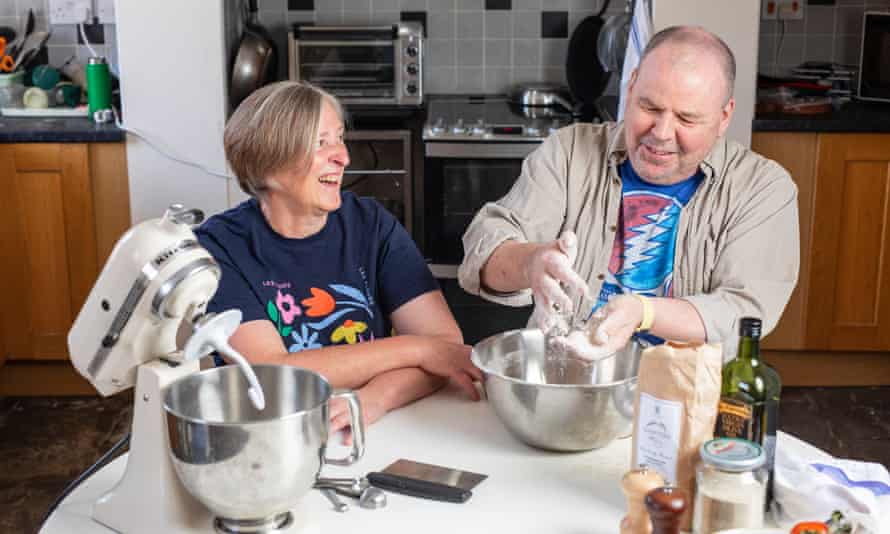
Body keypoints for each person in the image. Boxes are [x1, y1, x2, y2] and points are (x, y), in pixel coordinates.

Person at [458, 26, 799, 359]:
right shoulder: (569, 151)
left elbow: (745, 309)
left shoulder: (762, 188)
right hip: (564, 379)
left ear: (724, 117)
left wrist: (643, 312)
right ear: (631, 86)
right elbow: (484, 249)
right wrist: (531, 262)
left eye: (687, 119)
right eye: (649, 108)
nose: (662, 133)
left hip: (687, 399)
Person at [196, 81, 481, 439]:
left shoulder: (371, 225)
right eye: (320, 143)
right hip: (270, 437)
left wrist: (372, 400)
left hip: (372, 428)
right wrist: (418, 349)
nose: (343, 157)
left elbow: (446, 349)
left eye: (339, 137)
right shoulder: (221, 248)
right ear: (267, 164)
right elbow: (272, 374)